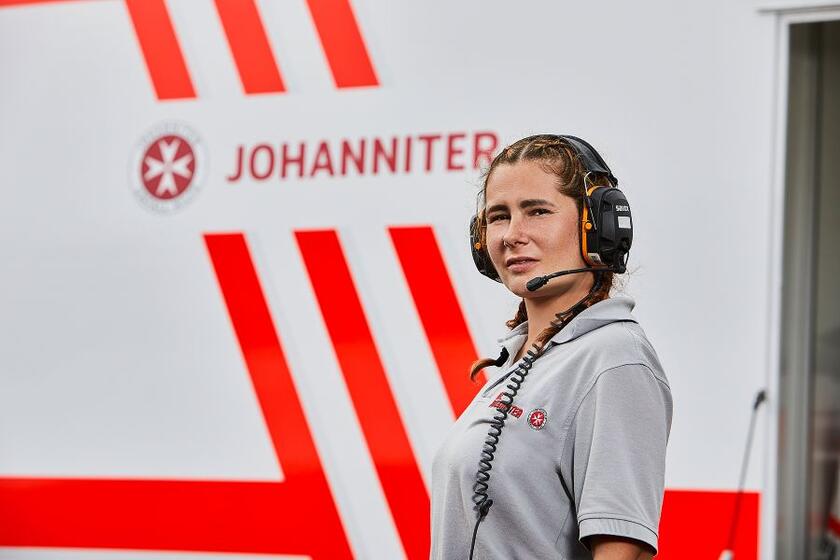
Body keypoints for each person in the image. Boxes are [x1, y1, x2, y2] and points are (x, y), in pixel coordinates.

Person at [430, 134, 673, 559]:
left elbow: (622, 550)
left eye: (537, 211)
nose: (512, 235)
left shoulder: (615, 359)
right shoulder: (526, 359)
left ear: (598, 226)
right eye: (499, 216)